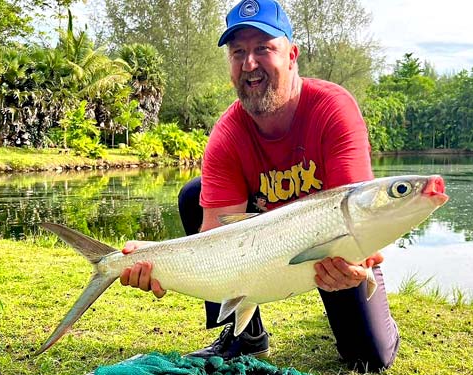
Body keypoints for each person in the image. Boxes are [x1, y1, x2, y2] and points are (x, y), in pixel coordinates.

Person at [119, 0, 400, 371]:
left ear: (291, 55)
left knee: (370, 357)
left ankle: (384, 323)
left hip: (330, 245)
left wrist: (357, 269)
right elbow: (214, 243)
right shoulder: (226, 133)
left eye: (263, 48)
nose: (249, 64)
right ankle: (243, 335)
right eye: (238, 52)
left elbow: (358, 216)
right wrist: (158, 260)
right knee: (193, 194)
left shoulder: (333, 108)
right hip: (261, 242)